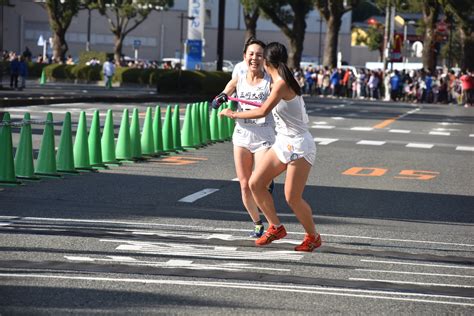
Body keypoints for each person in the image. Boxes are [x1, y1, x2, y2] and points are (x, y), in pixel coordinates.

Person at [219, 42, 321, 252]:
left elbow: (262, 111)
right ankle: (276, 227)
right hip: (283, 141)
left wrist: (233, 114)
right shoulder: (277, 80)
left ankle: (313, 236)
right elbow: (239, 83)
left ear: (267, 61)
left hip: (300, 145)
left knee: (292, 197)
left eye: (261, 57)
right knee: (255, 183)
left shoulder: (281, 83)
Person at [212, 37, 275, 238]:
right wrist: (221, 96)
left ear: (265, 59)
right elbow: (231, 86)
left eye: (259, 55)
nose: (254, 58)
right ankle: (257, 223)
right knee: (245, 184)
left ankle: (272, 216)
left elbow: (271, 107)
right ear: (244, 57)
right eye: (251, 54)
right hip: (241, 136)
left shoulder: (270, 80)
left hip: (264, 135)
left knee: (259, 182)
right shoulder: (240, 74)